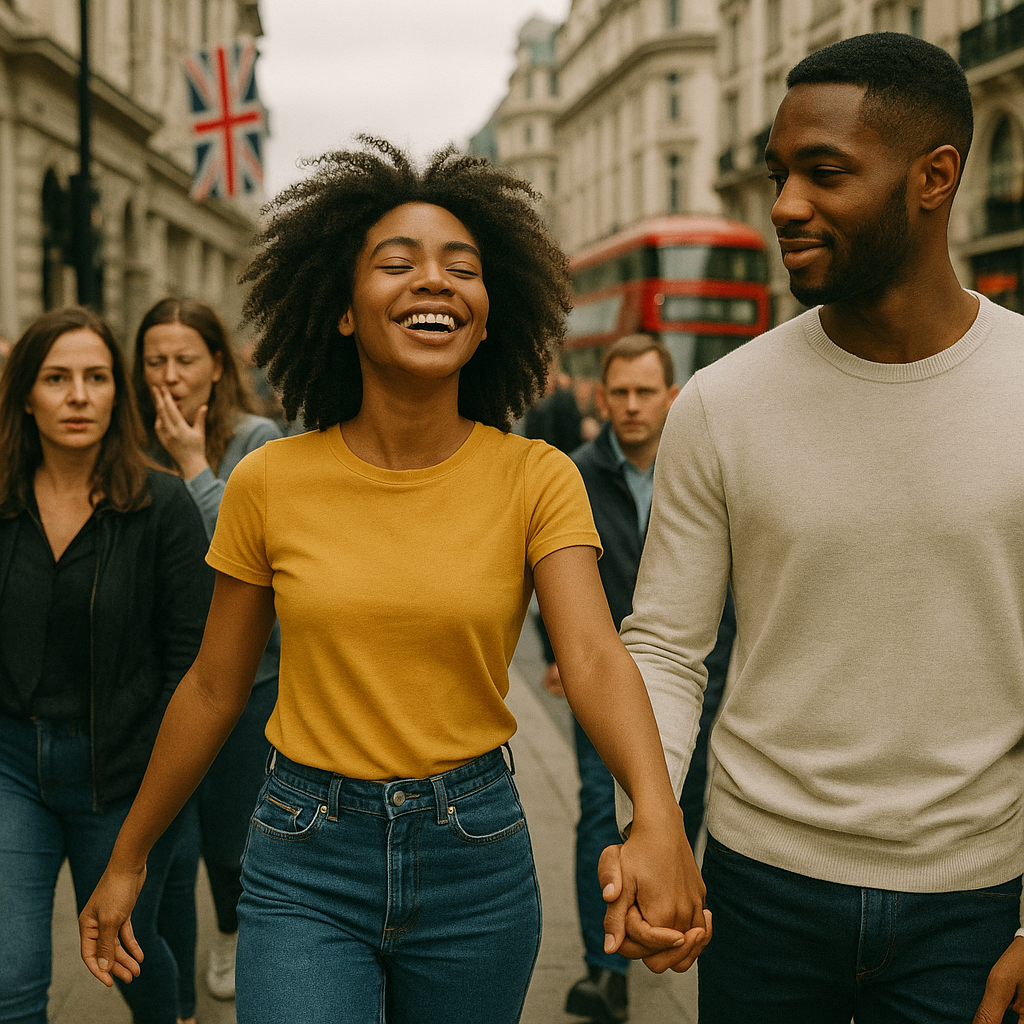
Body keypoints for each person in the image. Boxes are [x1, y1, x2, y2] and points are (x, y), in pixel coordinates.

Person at [78, 139, 710, 1024]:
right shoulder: (269, 481)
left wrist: (659, 818)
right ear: (342, 309)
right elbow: (217, 686)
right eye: (396, 263)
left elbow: (598, 660)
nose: (435, 281)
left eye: (463, 268)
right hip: (304, 853)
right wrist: (130, 856)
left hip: (476, 855)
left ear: (489, 317)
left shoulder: (536, 477)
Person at [600, 32, 1024, 1022]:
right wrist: (651, 820)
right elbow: (664, 644)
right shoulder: (718, 403)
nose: (785, 204)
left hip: (970, 902)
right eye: (780, 172)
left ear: (934, 177)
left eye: (824, 173)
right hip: (758, 886)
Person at [0, 307, 213, 1024]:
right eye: (56, 378)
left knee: (128, 953)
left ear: (118, 393)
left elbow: (191, 661)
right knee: (11, 972)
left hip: (126, 775)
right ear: (26, 392)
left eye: (96, 378)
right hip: (12, 769)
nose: (79, 396)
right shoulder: (1, 498)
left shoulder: (162, 504)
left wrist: (158, 788)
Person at [538, 334, 735, 1024]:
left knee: (686, 806)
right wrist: (558, 650)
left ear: (671, 397)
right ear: (601, 398)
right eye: (617, 392)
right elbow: (545, 572)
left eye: (644, 392)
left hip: (701, 678)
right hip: (605, 681)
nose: (629, 406)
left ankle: (661, 916)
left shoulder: (705, 464)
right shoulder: (576, 475)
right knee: (601, 807)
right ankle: (604, 966)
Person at [133, 297, 282, 1021]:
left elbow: (255, 559)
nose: (170, 376)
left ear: (217, 366)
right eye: (155, 361)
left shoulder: (256, 439)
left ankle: (229, 931)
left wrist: (193, 462)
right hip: (156, 677)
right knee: (170, 847)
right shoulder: (128, 440)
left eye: (184, 360)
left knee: (229, 843)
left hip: (245, 681)